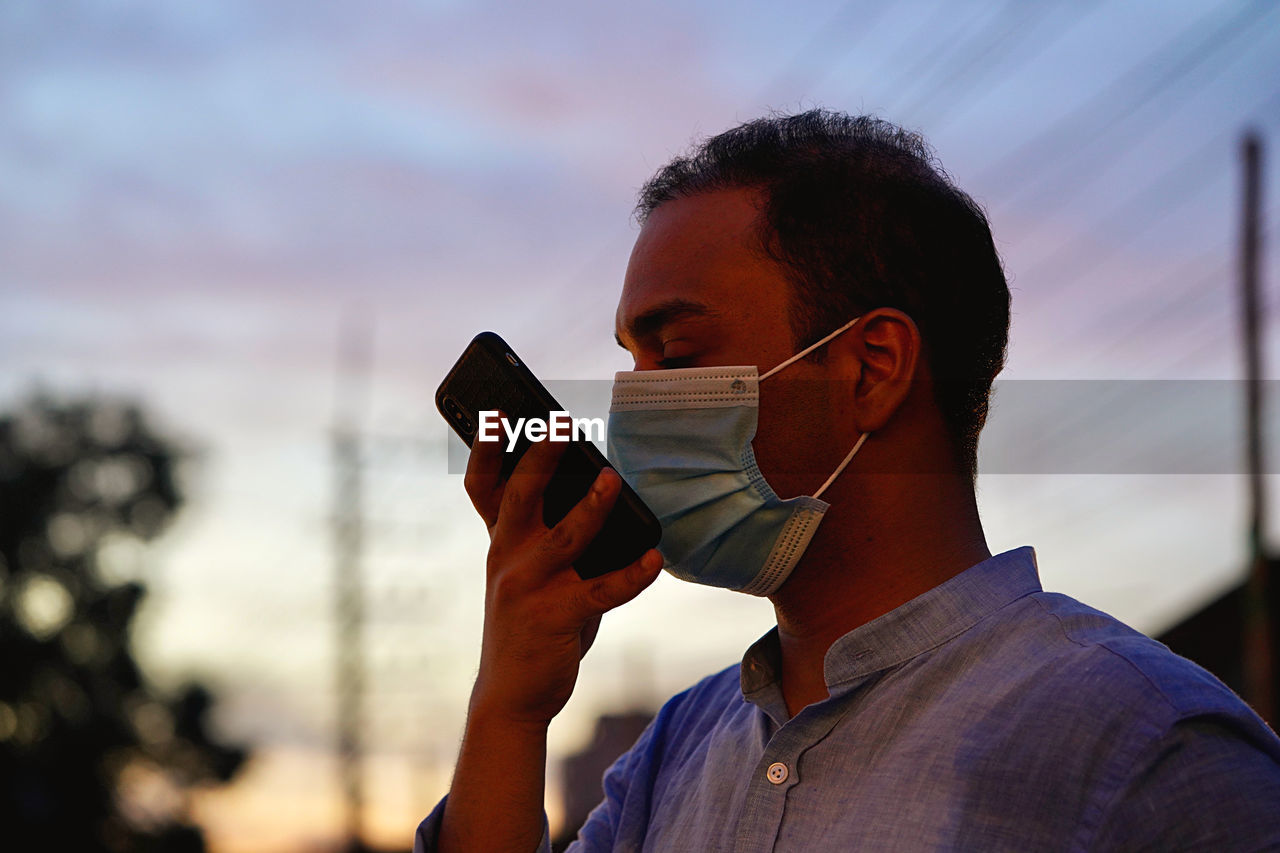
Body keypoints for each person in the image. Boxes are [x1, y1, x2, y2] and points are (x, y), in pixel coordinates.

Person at [416, 110, 1280, 851]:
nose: (637, 403)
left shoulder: (1147, 750)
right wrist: (510, 710)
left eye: (674, 353)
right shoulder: (672, 753)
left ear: (872, 369)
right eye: (631, 362)